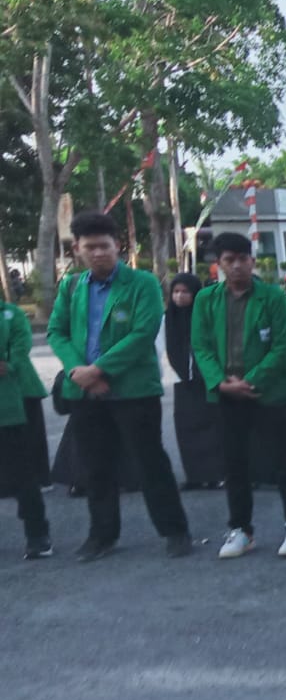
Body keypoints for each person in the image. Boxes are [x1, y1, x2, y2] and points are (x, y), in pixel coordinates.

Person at [46, 211, 192, 562]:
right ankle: (102, 536)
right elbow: (57, 331)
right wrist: (77, 371)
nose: (98, 253)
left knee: (150, 462)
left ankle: (175, 531)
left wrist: (98, 371)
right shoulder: (71, 286)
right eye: (90, 247)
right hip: (84, 391)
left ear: (118, 246)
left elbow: (143, 335)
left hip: (133, 390)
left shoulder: (141, 283)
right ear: (77, 249)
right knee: (95, 467)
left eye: (104, 246)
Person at [191, 232, 286, 560]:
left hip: (271, 394)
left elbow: (280, 347)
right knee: (235, 466)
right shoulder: (206, 299)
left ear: (252, 261)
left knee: (284, 464)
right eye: (229, 260)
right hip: (227, 395)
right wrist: (220, 382)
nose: (237, 266)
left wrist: (250, 381)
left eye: (243, 259)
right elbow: (200, 346)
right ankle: (241, 530)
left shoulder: (272, 296)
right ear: (219, 265)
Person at [162, 272, 225, 489]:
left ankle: (215, 474)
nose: (180, 297)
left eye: (185, 292)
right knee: (186, 428)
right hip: (181, 380)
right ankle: (195, 475)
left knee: (210, 427)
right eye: (176, 292)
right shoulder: (168, 317)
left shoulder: (206, 315)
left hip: (207, 378)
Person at [0, 291, 51, 559]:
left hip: (10, 406)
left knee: (22, 474)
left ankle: (38, 535)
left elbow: (18, 351)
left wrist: (8, 364)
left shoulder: (11, 315)